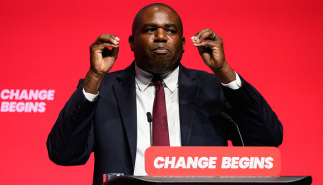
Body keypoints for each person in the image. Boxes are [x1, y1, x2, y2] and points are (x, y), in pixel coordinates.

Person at [47, 3, 283, 185]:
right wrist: (94, 78)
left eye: (169, 31)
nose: (160, 37)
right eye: (150, 30)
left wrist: (224, 72)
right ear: (131, 42)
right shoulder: (103, 89)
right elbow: (63, 154)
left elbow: (268, 139)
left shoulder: (212, 87)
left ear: (182, 43)